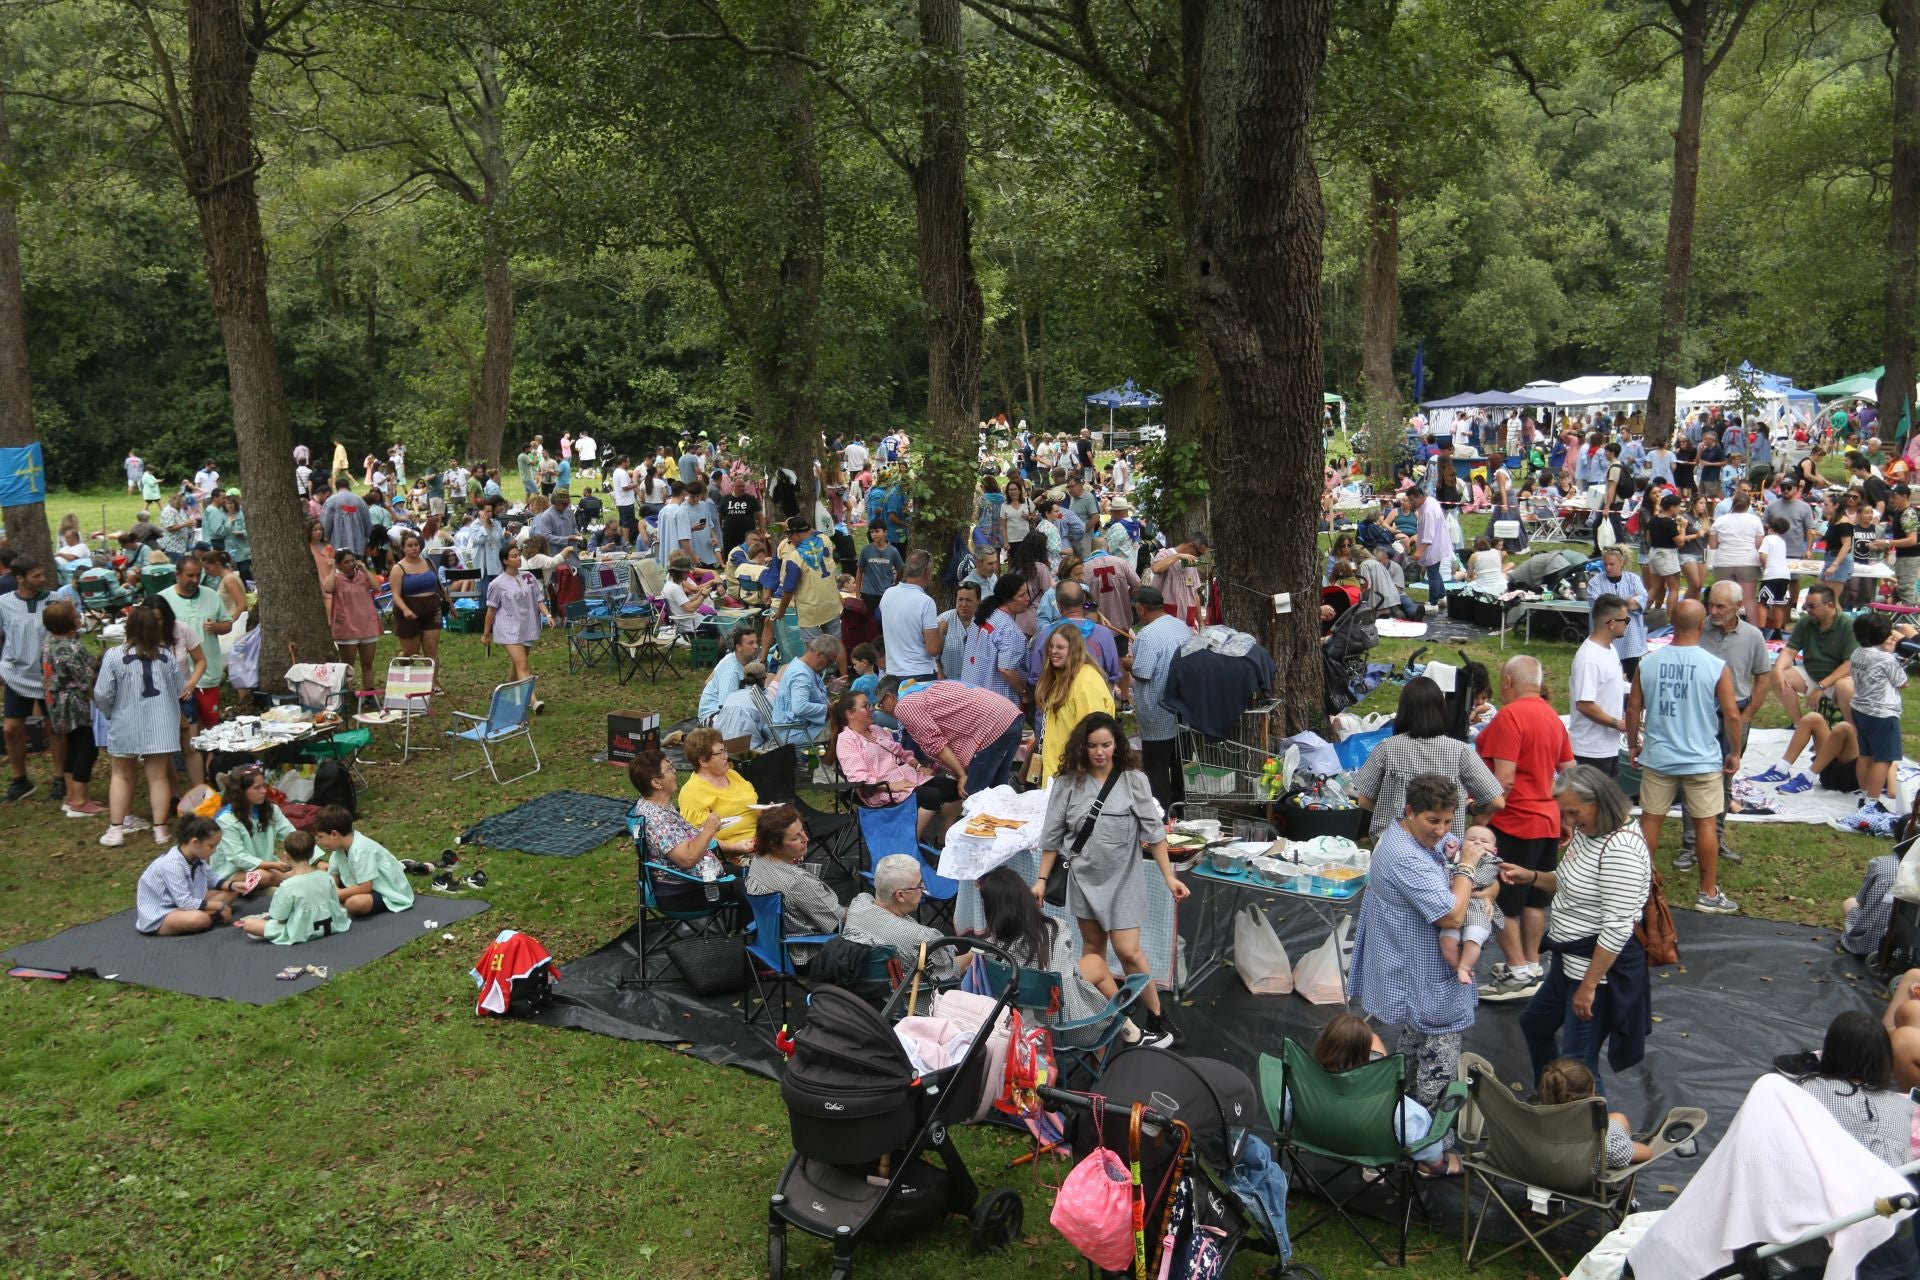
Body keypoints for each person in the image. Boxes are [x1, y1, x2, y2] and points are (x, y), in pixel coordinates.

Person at [1034, 713, 1188, 1046]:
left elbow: (1154, 834)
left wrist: (1168, 878)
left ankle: (1158, 1015)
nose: (1099, 752)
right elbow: (1051, 837)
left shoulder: (1134, 780)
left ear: (1116, 744)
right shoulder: (1067, 782)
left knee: (1129, 950)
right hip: (1084, 877)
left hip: (1124, 878)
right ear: (1082, 747)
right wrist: (1042, 879)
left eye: (1106, 744)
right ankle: (1107, 1016)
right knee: (1093, 950)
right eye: (1092, 746)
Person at [1503, 765, 1654, 1091]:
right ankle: (1553, 1103)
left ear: (1600, 801)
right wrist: (1529, 876)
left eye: (1574, 812)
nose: (1569, 821)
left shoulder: (1621, 852)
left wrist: (1588, 987)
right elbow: (1569, 883)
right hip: (1567, 966)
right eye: (1565, 812)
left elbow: (1616, 929)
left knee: (1577, 1066)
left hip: (1594, 975)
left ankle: (1588, 1133)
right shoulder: (1589, 835)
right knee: (1535, 1024)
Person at [1349, 772, 1487, 1109]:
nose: (1441, 830)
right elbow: (1452, 916)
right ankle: (1430, 1150)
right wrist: (1467, 867)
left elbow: (1446, 845)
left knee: (1411, 1056)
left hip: (1420, 975)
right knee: (1437, 1075)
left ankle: (1401, 1127)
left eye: (1447, 820)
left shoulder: (1408, 836)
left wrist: (1456, 853)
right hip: (1425, 978)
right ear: (1409, 811)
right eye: (1432, 820)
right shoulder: (1405, 856)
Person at [1627, 600, 1742, 915]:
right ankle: (1708, 891)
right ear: (1702, 624)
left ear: (1670, 623)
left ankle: (1642, 887)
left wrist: (1634, 745)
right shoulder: (1715, 665)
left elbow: (1633, 707)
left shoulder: (1648, 662)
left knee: (1651, 819)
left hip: (1659, 756)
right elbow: (1732, 715)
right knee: (1706, 823)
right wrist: (1734, 751)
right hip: (1702, 759)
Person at [1475, 655, 1575, 1001]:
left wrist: (1480, 819)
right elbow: (1570, 771)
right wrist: (1564, 816)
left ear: (1506, 682)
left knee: (1499, 900)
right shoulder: (1552, 716)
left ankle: (1517, 971)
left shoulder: (1510, 716)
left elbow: (1503, 780)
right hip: (1546, 820)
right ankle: (1532, 966)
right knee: (1535, 899)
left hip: (1515, 821)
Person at [976, 864, 1155, 1047]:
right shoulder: (1057, 929)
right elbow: (1065, 983)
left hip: (1020, 1027)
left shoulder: (990, 948)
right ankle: (1124, 1029)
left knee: (1093, 962)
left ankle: (1124, 1031)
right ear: (1025, 896)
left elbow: (966, 962)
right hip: (1068, 1028)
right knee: (1085, 981)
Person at [1280, 1014, 1455, 1174]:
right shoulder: (1390, 1105)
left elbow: (1285, 1112)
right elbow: (1415, 1138)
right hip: (1373, 1151)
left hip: (1318, 1139)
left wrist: (1300, 1135)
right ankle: (1376, 1169)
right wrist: (1435, 1159)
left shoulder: (1303, 1086)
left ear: (1323, 1044)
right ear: (1365, 1055)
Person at [1351, 675, 1504, 839]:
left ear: (1404, 710)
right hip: (1443, 852)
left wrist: (1394, 813)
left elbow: (1363, 800)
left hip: (1394, 846)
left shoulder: (1387, 748)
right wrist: (1471, 809)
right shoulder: (1461, 751)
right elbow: (1497, 802)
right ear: (1441, 710)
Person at [95, 605, 188, 848]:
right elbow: (181, 689)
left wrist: (110, 713)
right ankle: (161, 829)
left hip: (125, 721)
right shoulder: (166, 656)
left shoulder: (114, 656)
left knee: (121, 774)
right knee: (158, 777)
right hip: (160, 723)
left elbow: (102, 693)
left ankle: (116, 829)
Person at [829, 690, 961, 839]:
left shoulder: (876, 730)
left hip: (909, 778)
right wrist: (890, 785)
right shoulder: (847, 739)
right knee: (932, 797)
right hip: (880, 790)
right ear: (850, 714)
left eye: (870, 705)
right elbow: (857, 776)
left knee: (955, 789)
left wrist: (918, 766)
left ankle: (942, 840)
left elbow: (901, 752)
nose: (871, 709)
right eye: (866, 706)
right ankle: (908, 846)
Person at [876, 674, 1024, 797]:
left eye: (881, 705)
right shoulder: (922, 687)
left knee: (974, 796)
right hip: (1009, 715)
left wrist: (961, 775)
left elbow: (935, 743)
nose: (883, 710)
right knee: (998, 792)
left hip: (993, 727)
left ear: (889, 697)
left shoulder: (904, 704)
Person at [627, 747, 737, 909]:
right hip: (685, 890)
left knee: (752, 875)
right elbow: (687, 859)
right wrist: (708, 830)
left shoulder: (656, 804)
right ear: (656, 782)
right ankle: (751, 930)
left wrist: (706, 829)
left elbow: (682, 841)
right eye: (669, 769)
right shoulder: (658, 819)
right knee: (758, 889)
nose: (675, 771)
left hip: (697, 878)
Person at [844, 853, 967, 981]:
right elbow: (951, 973)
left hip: (858, 990)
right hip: (908, 997)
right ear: (900, 895)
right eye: (919, 885)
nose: (923, 888)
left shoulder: (859, 903)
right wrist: (973, 955)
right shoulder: (922, 939)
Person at [1125, 585, 1192, 812]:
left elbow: (1142, 672)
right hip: (1181, 709)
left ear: (1142, 609)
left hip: (1157, 710)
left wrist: (1127, 663)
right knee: (1179, 762)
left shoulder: (1146, 635)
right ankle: (1180, 806)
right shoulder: (1180, 625)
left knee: (1157, 768)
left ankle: (1160, 813)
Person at [743, 805, 844, 943]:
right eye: (795, 838)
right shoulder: (797, 880)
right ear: (775, 845)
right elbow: (837, 920)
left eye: (802, 830)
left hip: (770, 946)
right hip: (806, 952)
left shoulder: (758, 861)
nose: (806, 838)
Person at [39, 600, 102, 818]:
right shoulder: (72, 648)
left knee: (73, 747)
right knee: (87, 748)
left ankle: (71, 796)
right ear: (70, 622)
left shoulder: (48, 643)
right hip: (76, 707)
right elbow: (88, 678)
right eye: (76, 615)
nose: (79, 618)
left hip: (56, 705)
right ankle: (80, 801)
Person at [1537, 1059, 1652, 1176]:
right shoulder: (1607, 1142)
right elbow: (1646, 1153)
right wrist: (1630, 1144)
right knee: (1619, 1119)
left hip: (1544, 1179)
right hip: (1589, 1189)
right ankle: (1628, 1192)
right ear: (1592, 1094)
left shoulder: (1531, 1128)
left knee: (1616, 1117)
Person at [1035, 623, 1116, 783]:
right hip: (1057, 773)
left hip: (1076, 776)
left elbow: (1094, 733)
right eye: (1051, 646)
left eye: (1060, 647)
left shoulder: (1086, 682)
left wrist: (1083, 772)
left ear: (1074, 649)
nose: (1053, 652)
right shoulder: (1060, 678)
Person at [1767, 582, 1856, 725]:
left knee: (1845, 686)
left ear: (1830, 605)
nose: (1807, 610)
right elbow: (1790, 651)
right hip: (1812, 676)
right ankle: (1799, 725)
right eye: (1805, 606)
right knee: (1781, 677)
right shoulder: (1805, 622)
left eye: (1812, 606)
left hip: (1839, 680)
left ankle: (1852, 731)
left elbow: (1849, 665)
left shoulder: (1847, 625)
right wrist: (1778, 669)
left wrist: (1822, 686)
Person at [239, 831, 351, 944]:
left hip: (301, 931)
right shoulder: (326, 877)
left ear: (286, 856)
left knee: (250, 924)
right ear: (312, 854)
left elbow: (280, 917)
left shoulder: (287, 886)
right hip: (332, 924)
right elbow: (335, 905)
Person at [1845, 610, 1907, 812]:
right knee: (1884, 758)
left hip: (1861, 709)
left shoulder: (1857, 653)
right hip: (1882, 713)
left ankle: (1864, 794)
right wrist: (1890, 653)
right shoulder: (1885, 659)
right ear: (1882, 636)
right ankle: (1872, 801)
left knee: (1866, 753)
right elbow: (1902, 681)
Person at [0, 556, 51, 803]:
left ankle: (61, 778)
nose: (42, 579)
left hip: (49, 675)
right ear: (19, 578)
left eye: (42, 574)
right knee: (11, 729)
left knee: (56, 729)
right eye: (36, 576)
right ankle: (20, 780)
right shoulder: (4, 604)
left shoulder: (53, 600)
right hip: (15, 673)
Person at [135, 816, 238, 935]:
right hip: (161, 913)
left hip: (184, 904)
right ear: (195, 842)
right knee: (200, 919)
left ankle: (210, 916)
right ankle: (209, 918)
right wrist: (219, 905)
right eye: (211, 846)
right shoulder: (172, 864)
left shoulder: (196, 856)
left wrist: (233, 885)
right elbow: (185, 902)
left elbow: (213, 879)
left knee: (231, 892)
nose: (214, 850)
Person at [771, 515, 845, 679]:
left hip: (810, 609)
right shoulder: (825, 540)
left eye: (790, 536)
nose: (790, 540)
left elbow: (788, 589)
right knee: (837, 642)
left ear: (795, 536)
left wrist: (781, 611)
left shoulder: (795, 558)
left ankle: (815, 681)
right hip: (831, 603)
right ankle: (844, 677)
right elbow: (814, 532)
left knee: (813, 649)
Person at [314, 805, 414, 917]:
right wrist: (333, 888)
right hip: (356, 885)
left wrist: (338, 894)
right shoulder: (339, 848)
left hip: (383, 890)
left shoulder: (361, 849)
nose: (319, 841)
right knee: (318, 881)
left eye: (320, 837)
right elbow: (333, 874)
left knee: (354, 903)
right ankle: (339, 905)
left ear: (334, 834)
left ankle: (340, 908)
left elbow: (366, 887)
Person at [209, 765, 295, 891]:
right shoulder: (226, 819)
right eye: (257, 787)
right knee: (265, 877)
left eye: (263, 785)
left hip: (265, 866)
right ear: (241, 792)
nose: (264, 791)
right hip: (231, 873)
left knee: (300, 870)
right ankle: (239, 890)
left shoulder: (270, 810)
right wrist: (271, 865)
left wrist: (316, 860)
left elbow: (293, 836)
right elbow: (237, 857)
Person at [1569, 595, 1630, 773]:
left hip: (1608, 747)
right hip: (1590, 750)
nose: (1626, 623)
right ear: (1612, 623)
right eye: (1625, 619)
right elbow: (1585, 705)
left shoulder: (1610, 650)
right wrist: (1616, 724)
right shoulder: (1588, 658)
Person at [676, 727, 760, 855]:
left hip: (761, 837)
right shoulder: (692, 793)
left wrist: (767, 812)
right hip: (734, 852)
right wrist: (734, 847)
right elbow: (696, 838)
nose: (726, 756)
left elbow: (751, 806)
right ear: (703, 761)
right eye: (720, 753)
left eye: (724, 750)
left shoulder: (732, 775)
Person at [483, 543, 552, 697]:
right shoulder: (497, 584)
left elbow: (538, 599)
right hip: (507, 628)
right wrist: (486, 633)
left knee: (518, 664)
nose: (518, 558)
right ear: (505, 561)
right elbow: (491, 610)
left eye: (518, 555)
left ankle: (507, 695)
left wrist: (548, 615)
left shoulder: (528, 577)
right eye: (514, 556)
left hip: (527, 625)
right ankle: (533, 701)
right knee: (523, 665)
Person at [1440, 825, 1503, 985]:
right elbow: (1445, 869)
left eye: (1484, 841)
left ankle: (1465, 966)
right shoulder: (1456, 856)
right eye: (1471, 839)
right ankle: (1458, 967)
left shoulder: (1491, 860)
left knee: (1473, 938)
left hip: (1477, 908)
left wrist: (1460, 877)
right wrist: (1451, 854)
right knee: (1447, 942)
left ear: (1494, 850)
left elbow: (1480, 878)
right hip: (1454, 906)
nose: (1477, 843)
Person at [319, 549, 381, 693]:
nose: (351, 564)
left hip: (367, 624)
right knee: (348, 665)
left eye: (352, 560)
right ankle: (348, 693)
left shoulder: (363, 576)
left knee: (367, 663)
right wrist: (333, 569)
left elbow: (377, 587)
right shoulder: (337, 579)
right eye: (346, 562)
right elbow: (328, 588)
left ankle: (369, 692)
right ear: (340, 564)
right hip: (347, 626)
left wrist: (365, 569)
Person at [878, 548, 942, 682]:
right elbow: (933, 649)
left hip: (893, 672)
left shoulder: (887, 594)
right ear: (927, 572)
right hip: (920, 673)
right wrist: (941, 629)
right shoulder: (926, 602)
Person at [1587, 547, 1648, 684]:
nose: (1607, 568)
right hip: (1606, 637)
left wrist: (1615, 604)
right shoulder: (1595, 582)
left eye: (1611, 564)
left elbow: (1642, 600)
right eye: (1605, 564)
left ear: (1622, 563)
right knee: (1606, 678)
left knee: (1633, 678)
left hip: (1630, 638)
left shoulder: (1633, 579)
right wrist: (1627, 602)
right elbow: (1600, 607)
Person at [769, 635, 836, 745]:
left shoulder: (803, 666)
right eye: (829, 661)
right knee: (846, 728)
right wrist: (828, 709)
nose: (828, 666)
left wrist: (829, 689)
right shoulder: (801, 674)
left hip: (798, 727)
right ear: (819, 654)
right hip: (795, 732)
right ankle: (828, 762)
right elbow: (799, 708)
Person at [388, 532, 444, 664]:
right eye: (409, 545)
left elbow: (438, 584)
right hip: (409, 610)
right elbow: (395, 594)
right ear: (403, 548)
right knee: (411, 653)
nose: (413, 548)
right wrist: (405, 609)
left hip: (431, 609)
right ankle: (403, 660)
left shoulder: (429, 562)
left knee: (431, 650)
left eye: (416, 545)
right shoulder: (398, 568)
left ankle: (432, 684)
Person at [697, 626, 760, 725]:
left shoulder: (752, 659)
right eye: (750, 643)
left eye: (756, 642)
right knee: (745, 726)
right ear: (738, 647)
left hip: (740, 707)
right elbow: (727, 709)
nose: (756, 646)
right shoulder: (730, 672)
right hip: (714, 713)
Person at [1150, 531, 1209, 631]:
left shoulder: (1191, 563)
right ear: (1191, 546)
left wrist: (1201, 623)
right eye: (1199, 553)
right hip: (1167, 617)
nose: (1198, 557)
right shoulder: (1164, 554)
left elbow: (1194, 593)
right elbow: (1156, 568)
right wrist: (1177, 556)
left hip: (1187, 619)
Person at [934, 582, 979, 681]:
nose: (963, 604)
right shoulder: (944, 619)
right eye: (960, 600)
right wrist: (940, 675)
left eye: (968, 600)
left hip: (976, 684)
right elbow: (934, 656)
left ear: (978, 601)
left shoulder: (984, 622)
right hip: (948, 681)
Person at [321, 475, 371, 558]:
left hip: (338, 544)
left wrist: (325, 538)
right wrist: (366, 537)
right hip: (357, 544)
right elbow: (367, 523)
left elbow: (326, 522)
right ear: (349, 486)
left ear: (336, 488)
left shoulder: (331, 501)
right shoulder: (359, 500)